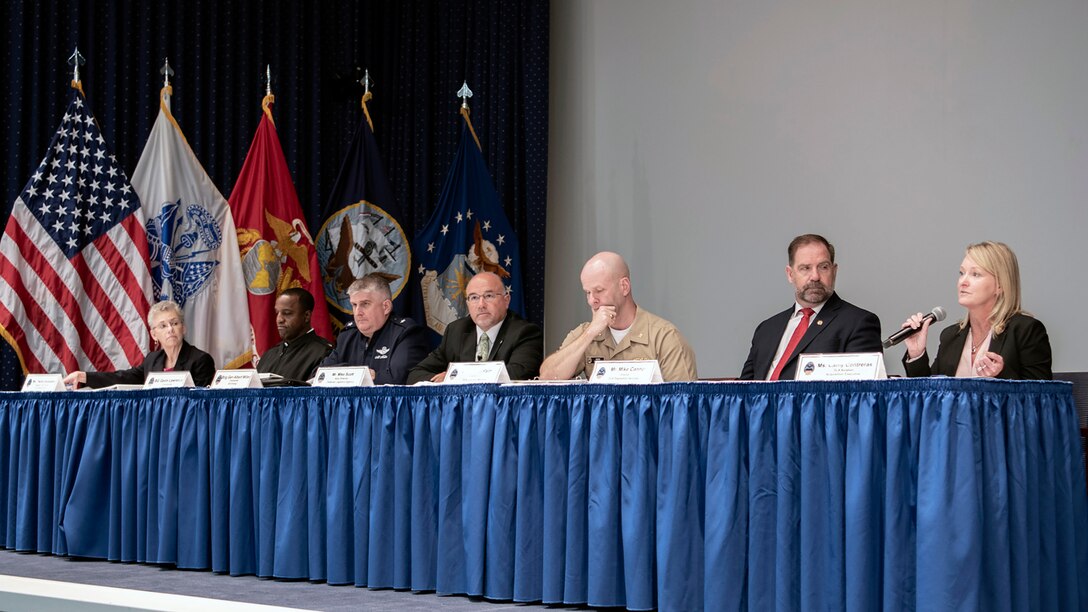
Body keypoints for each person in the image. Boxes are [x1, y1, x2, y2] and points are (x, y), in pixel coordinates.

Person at [900, 241, 1052, 379]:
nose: (963, 282)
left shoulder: (1026, 331)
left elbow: (1043, 400)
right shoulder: (951, 336)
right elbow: (929, 397)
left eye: (975, 274)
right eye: (961, 273)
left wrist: (1000, 378)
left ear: (1000, 285)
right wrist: (916, 353)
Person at [740, 234, 882, 380]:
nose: (815, 276)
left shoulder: (858, 323)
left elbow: (859, 394)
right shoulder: (766, 329)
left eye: (823, 267)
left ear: (834, 271)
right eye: (805, 268)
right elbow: (742, 392)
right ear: (790, 274)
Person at [539, 251, 697, 381]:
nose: (592, 300)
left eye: (599, 290)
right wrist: (590, 333)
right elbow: (547, 377)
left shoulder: (664, 337)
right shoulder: (586, 333)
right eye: (587, 292)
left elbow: (683, 405)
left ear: (624, 286)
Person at [407, 272, 543, 383]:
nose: (481, 305)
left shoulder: (525, 332)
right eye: (474, 298)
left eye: (488, 296)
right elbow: (416, 374)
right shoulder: (456, 331)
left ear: (506, 300)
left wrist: (454, 378)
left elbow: (518, 374)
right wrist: (440, 381)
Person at [62, 300, 216, 388]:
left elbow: (201, 406)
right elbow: (124, 378)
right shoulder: (152, 360)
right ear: (154, 334)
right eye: (163, 326)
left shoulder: (200, 360)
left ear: (183, 328)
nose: (170, 329)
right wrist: (83, 376)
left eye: (174, 323)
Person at [319, 274, 429, 384]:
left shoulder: (406, 333)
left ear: (386, 307)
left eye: (365, 304)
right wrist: (361, 373)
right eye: (354, 305)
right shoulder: (347, 335)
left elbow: (397, 379)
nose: (358, 312)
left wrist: (341, 375)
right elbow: (320, 375)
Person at [256, 288, 333, 384]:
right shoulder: (269, 355)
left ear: (306, 316)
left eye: (287, 313)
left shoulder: (325, 353)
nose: (279, 319)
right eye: (277, 313)